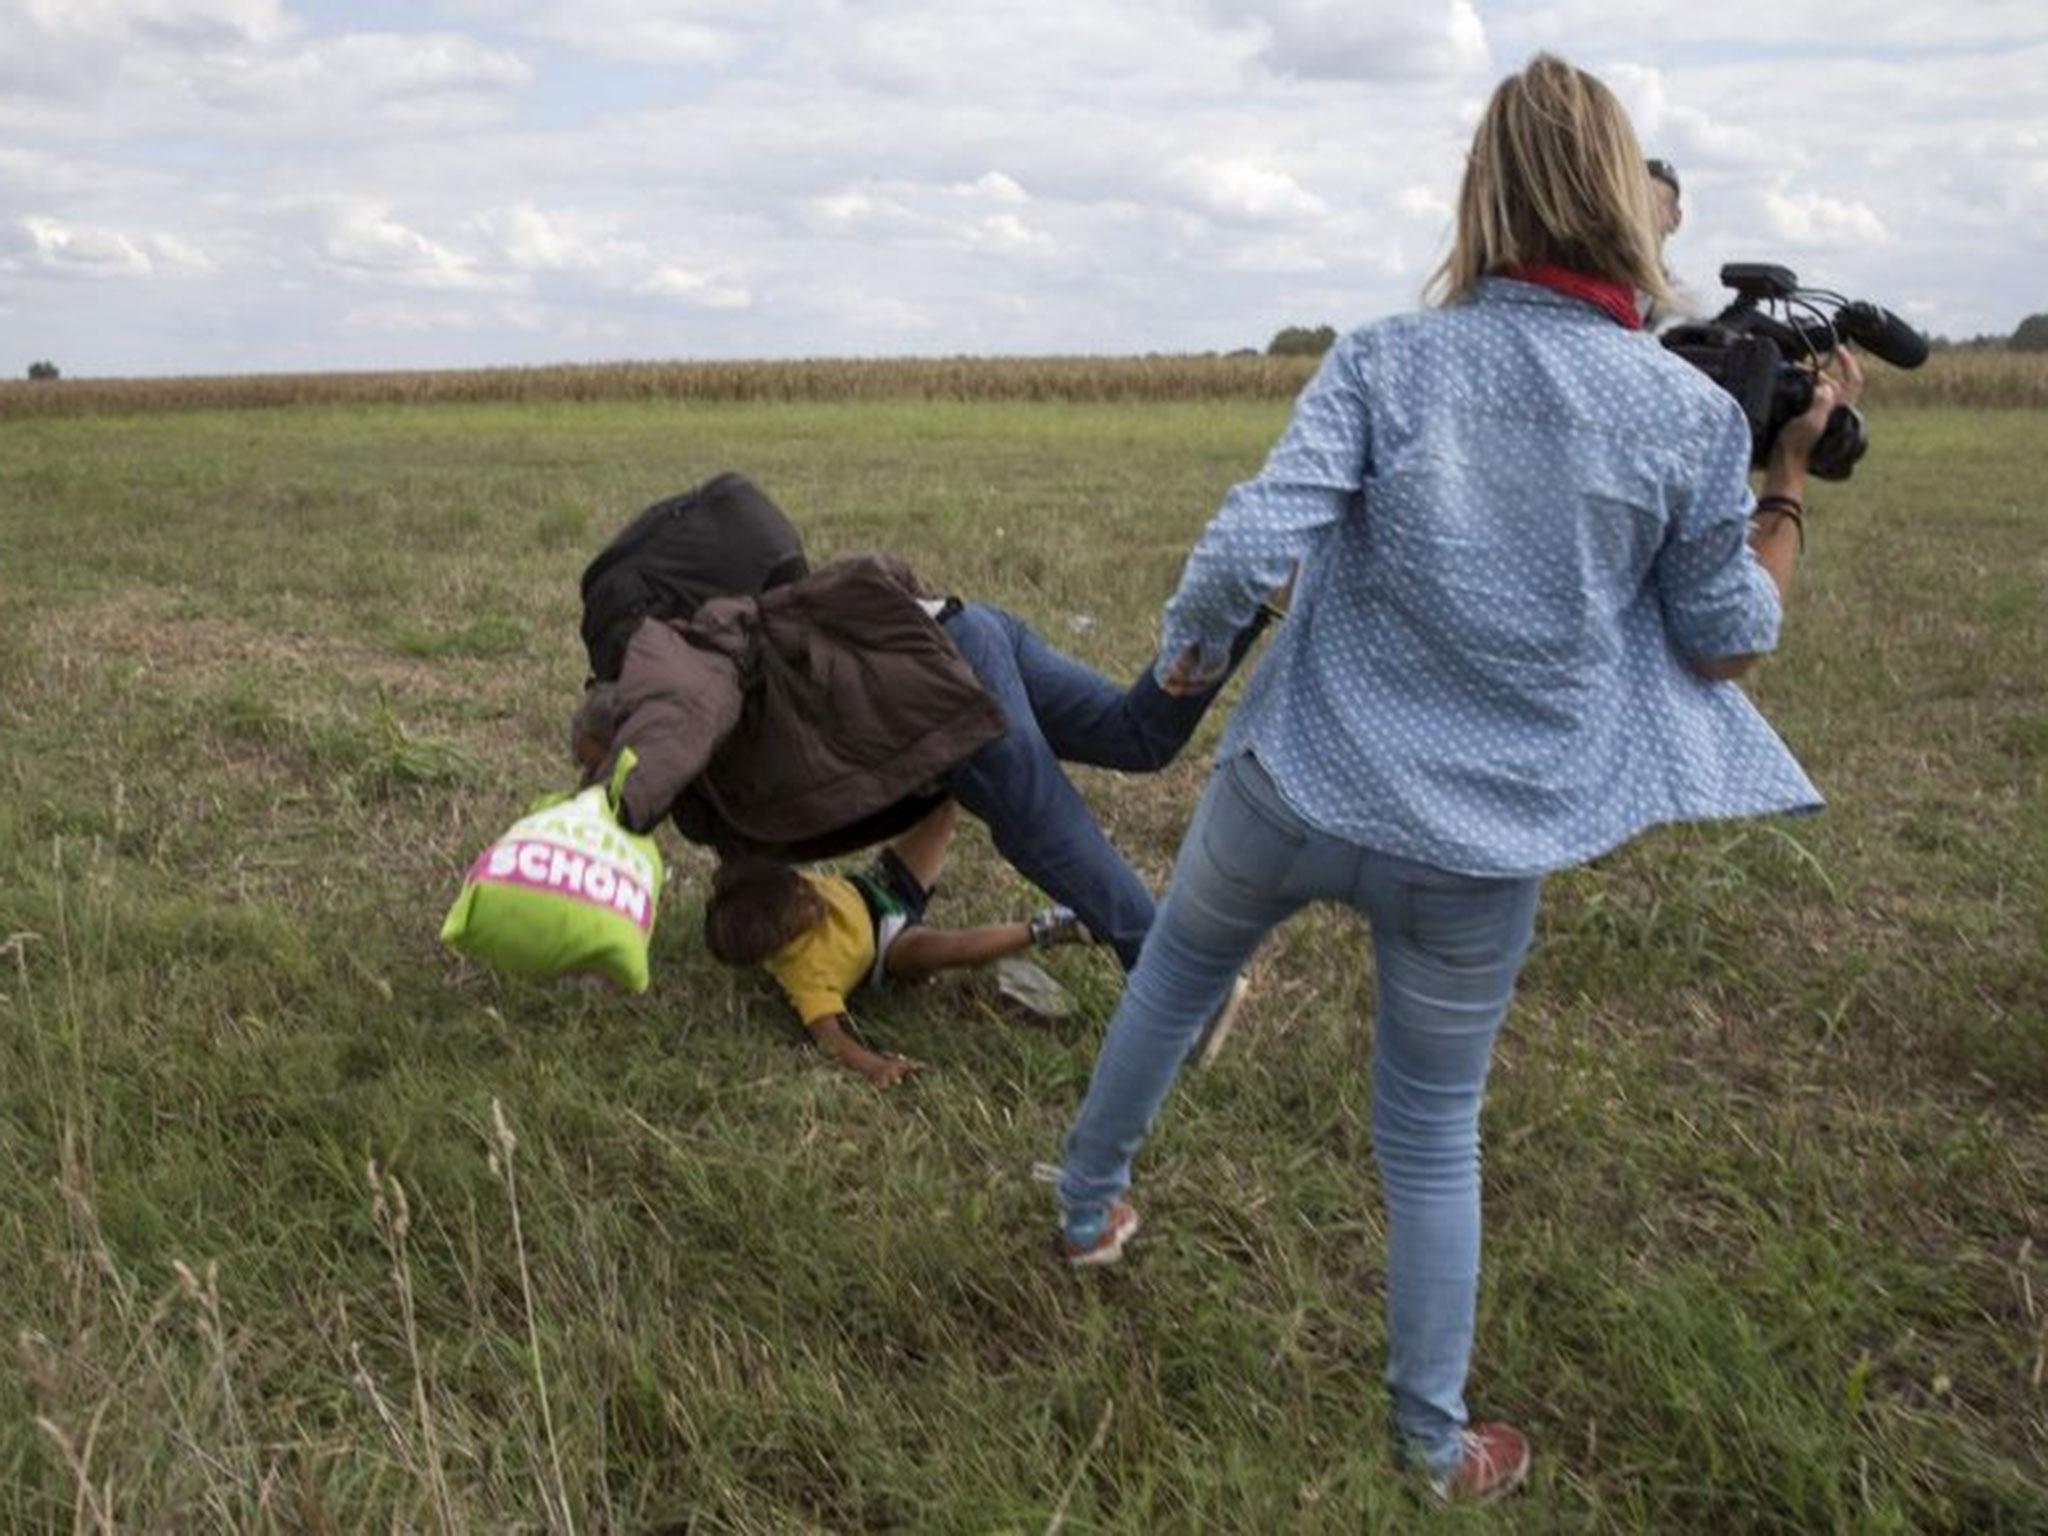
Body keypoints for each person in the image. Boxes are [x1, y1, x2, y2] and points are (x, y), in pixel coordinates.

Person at [1050, 53, 1862, 1504]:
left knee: (1172, 980)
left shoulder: (1384, 358)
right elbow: (1730, 642)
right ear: (1632, 206)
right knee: (1429, 1129)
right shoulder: (1688, 420)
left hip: (1294, 782)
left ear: (1482, 195)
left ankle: (1081, 1209)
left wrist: (1183, 667)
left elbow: (1247, 548)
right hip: (1481, 846)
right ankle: (1433, 1444)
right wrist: (1783, 475)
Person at [574, 550, 1278, 976]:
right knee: (1135, 737)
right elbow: (751, 871)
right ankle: (1239, 599)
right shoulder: (715, 801)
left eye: (602, 763)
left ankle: (1181, 983)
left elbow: (674, 727)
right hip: (957, 632)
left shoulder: (678, 685)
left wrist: (606, 810)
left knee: (1034, 819)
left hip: (934, 679)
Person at [700, 799, 1093, 1086]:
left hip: (880, 887)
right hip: (890, 947)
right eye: (802, 904)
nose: (810, 891)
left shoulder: (773, 890)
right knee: (937, 951)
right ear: (783, 938)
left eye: (800, 884)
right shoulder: (807, 975)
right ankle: (1049, 928)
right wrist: (875, 1066)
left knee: (940, 808)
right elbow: (831, 1039)